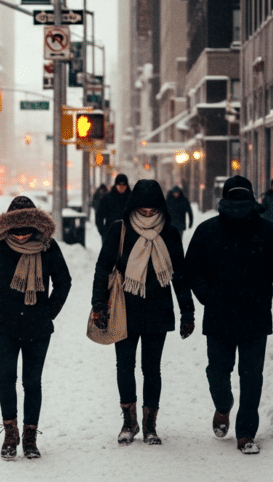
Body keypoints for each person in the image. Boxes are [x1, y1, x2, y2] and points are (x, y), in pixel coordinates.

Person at [185, 175, 273, 455]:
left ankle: (246, 433)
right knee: (218, 373)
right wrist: (208, 297)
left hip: (254, 317)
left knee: (251, 378)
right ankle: (223, 406)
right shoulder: (208, 231)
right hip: (220, 317)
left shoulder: (267, 232)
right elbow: (192, 270)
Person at [0, 196, 72, 461]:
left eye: (26, 232)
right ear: (8, 227)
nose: (22, 237)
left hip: (38, 327)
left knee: (32, 382)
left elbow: (64, 282)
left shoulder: (47, 246)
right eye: (16, 231)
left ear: (35, 226)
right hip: (3, 325)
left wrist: (48, 312)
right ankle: (11, 434)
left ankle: (30, 436)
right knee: (7, 379)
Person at [90, 179, 195, 446]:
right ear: (133, 208)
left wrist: (188, 312)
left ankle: (150, 425)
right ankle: (129, 421)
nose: (148, 216)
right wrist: (99, 305)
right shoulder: (120, 230)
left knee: (152, 368)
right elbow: (103, 269)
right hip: (125, 308)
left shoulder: (170, 233)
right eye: (143, 211)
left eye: (152, 211)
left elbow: (180, 276)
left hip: (158, 309)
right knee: (124, 365)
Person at [96, 174, 132, 241]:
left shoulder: (132, 199)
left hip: (128, 237)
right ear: (115, 185)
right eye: (119, 184)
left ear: (127, 185)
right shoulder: (107, 198)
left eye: (123, 184)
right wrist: (103, 232)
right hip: (110, 236)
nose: (121, 187)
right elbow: (99, 216)